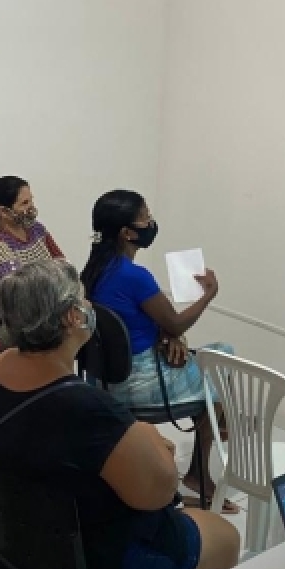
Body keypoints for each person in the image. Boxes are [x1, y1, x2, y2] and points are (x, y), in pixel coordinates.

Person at [0, 260, 240, 569]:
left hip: (20, 556)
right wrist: (152, 443)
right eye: (83, 300)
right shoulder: (88, 411)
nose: (90, 307)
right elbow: (158, 493)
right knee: (226, 537)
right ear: (71, 318)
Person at [81, 190, 237, 513]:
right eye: (146, 218)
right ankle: (198, 474)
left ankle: (202, 457)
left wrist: (166, 336)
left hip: (108, 379)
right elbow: (176, 323)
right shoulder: (135, 276)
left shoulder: (94, 271)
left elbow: (140, 323)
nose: (151, 223)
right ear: (127, 232)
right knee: (222, 358)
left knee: (205, 357)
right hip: (143, 383)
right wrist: (208, 294)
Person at [0, 176, 64, 281]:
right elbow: (17, 287)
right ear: (4, 211)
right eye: (25, 203)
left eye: (31, 200)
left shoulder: (37, 229)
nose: (32, 207)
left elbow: (63, 265)